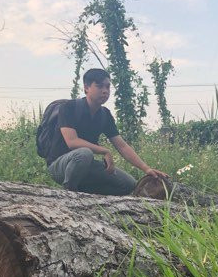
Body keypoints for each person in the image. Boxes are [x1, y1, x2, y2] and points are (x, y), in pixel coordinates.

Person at [45, 68, 168, 196]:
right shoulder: (69, 107)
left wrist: (146, 169)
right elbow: (72, 142)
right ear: (86, 88)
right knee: (84, 153)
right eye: (99, 86)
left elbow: (122, 146)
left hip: (86, 166)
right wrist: (104, 151)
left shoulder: (105, 115)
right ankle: (69, 193)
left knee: (128, 184)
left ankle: (87, 195)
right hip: (59, 166)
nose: (105, 91)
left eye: (108, 87)